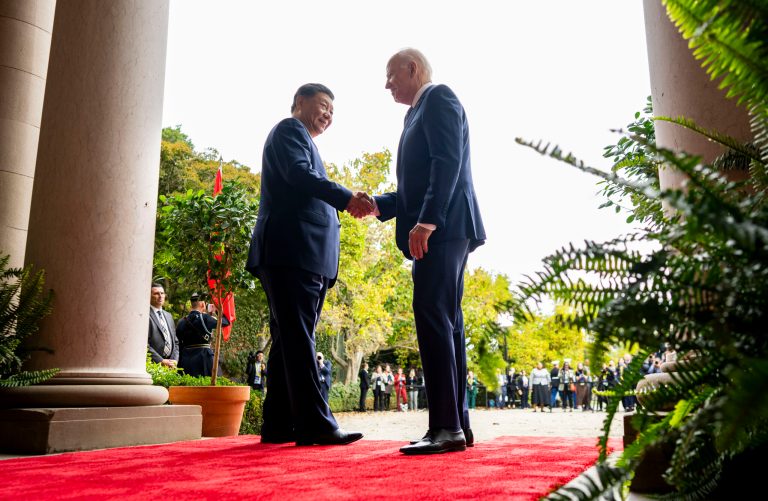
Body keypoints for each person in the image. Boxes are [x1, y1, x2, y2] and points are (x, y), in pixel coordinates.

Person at [371, 48, 486, 455]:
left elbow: (447, 161)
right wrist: (379, 204)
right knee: (447, 321)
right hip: (440, 226)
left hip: (443, 228)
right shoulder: (413, 114)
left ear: (412, 68)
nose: (387, 84)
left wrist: (428, 222)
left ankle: (445, 428)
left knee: (433, 316)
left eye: (391, 75)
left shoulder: (439, 98)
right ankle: (456, 425)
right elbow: (415, 186)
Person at [244, 83, 368, 446]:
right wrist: (346, 197)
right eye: (323, 105)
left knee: (287, 340)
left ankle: (278, 424)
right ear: (299, 102)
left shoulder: (306, 141)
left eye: (332, 111)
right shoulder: (289, 130)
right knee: (299, 338)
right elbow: (302, 177)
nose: (328, 115)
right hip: (290, 252)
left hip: (305, 256)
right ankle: (316, 424)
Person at [175, 293, 230, 377]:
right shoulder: (205, 318)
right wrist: (217, 310)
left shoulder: (181, 321)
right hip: (203, 359)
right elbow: (226, 322)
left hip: (186, 360)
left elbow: (179, 344)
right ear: (202, 304)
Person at [148, 283, 179, 368]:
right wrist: (160, 361)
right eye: (156, 293)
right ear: (149, 295)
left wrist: (174, 360)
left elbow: (175, 342)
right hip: (152, 364)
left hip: (170, 365)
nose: (160, 296)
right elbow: (144, 344)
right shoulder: (144, 314)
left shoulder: (169, 316)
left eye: (162, 293)